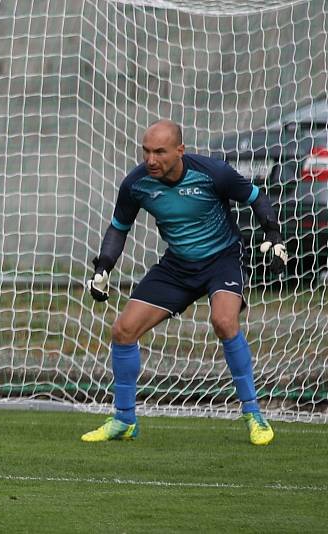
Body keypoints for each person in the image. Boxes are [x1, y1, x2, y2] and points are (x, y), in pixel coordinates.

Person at [82, 119, 287, 446]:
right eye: (146, 151)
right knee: (123, 330)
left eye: (160, 152)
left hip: (222, 259)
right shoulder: (136, 184)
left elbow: (256, 197)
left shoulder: (213, 173)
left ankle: (253, 413)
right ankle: (123, 419)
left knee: (223, 321)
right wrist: (103, 266)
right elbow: (119, 227)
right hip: (177, 266)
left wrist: (274, 236)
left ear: (180, 150)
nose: (151, 160)